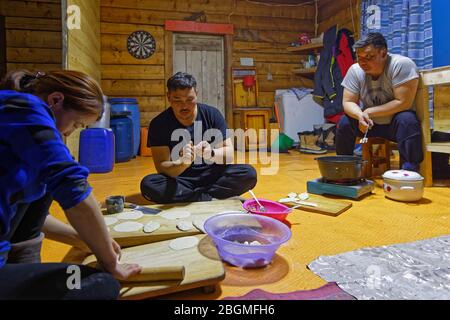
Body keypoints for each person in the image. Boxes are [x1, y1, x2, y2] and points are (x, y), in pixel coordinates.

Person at [0, 70, 141, 299]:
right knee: (100, 283)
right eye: (76, 124)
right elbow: (74, 189)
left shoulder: (12, 107)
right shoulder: (27, 110)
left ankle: (20, 269)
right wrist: (109, 260)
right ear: (55, 100)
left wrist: (85, 239)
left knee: (44, 184)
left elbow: (34, 214)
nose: (69, 132)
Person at [141, 72, 257, 204]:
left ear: (196, 93)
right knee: (149, 184)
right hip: (180, 179)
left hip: (211, 175)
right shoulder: (159, 123)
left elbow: (229, 155)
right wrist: (182, 163)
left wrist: (211, 153)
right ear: (168, 97)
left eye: (189, 100)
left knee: (248, 173)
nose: (184, 106)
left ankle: (195, 198)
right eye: (177, 100)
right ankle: (210, 199)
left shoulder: (212, 114)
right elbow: (162, 167)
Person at [335, 32, 423, 172]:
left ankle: (409, 172)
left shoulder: (400, 64)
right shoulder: (355, 70)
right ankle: (343, 167)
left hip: (395, 125)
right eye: (359, 57)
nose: (363, 62)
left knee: (407, 119)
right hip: (370, 124)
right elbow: (347, 102)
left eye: (369, 57)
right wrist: (359, 115)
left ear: (383, 53)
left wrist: (368, 112)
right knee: (345, 122)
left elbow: (403, 102)